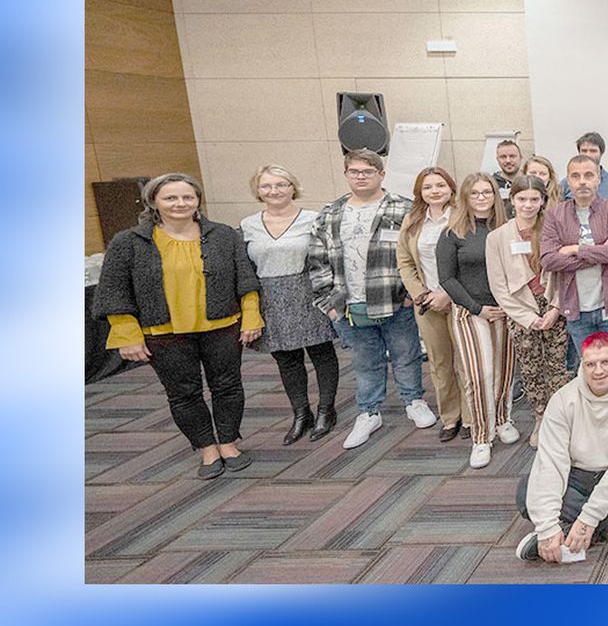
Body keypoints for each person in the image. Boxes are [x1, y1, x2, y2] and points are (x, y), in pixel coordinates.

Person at [94, 174, 263, 478]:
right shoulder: (129, 242)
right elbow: (114, 292)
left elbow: (245, 280)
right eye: (170, 198)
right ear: (153, 202)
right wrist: (128, 335)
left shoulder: (223, 235)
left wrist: (251, 316)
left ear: (198, 199)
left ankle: (227, 442)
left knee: (228, 386)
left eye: (187, 197)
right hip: (164, 333)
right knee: (183, 393)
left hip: (222, 326)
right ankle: (207, 449)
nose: (180, 203)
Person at [309, 149, 437, 449]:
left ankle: (414, 401)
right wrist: (329, 304)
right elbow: (316, 260)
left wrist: (410, 295)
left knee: (406, 355)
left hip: (395, 300)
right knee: (366, 362)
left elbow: (416, 256)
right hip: (348, 302)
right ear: (346, 175)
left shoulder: (403, 209)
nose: (361, 176)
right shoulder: (330, 213)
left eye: (367, 171)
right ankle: (369, 412)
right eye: (354, 171)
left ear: (381, 174)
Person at [514, 332, 608, 562]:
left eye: (605, 362)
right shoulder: (563, 399)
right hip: (576, 474)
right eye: (590, 364)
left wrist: (588, 520)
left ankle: (575, 531)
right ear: (582, 364)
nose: (599, 370)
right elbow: (552, 462)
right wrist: (547, 528)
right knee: (526, 491)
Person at [241, 165, 340, 445]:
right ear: (258, 191)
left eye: (281, 184)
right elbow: (245, 267)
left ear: (292, 187)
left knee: (321, 352)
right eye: (267, 186)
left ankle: (326, 410)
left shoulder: (314, 219)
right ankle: (300, 413)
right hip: (269, 295)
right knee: (286, 358)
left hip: (308, 289)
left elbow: (329, 257)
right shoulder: (248, 225)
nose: (274, 191)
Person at [438, 173, 515, 468]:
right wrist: (477, 308)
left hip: (504, 310)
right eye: (475, 193)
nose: (482, 198)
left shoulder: (506, 229)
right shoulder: (452, 234)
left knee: (504, 371)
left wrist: (509, 306)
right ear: (465, 198)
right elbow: (447, 279)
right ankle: (482, 436)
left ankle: (503, 419)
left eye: (487, 192)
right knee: (480, 374)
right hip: (470, 312)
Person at [487, 175, 570, 438]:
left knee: (557, 367)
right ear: (512, 200)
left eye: (535, 199)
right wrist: (527, 317)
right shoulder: (497, 238)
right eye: (522, 199)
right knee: (531, 368)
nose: (528, 205)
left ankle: (561, 421)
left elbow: (565, 274)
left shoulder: (554, 231)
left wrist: (555, 308)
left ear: (543, 201)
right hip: (521, 310)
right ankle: (540, 417)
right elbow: (498, 285)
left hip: (554, 304)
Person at [542, 154, 608, 368]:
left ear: (598, 178)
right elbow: (548, 259)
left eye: (588, 175)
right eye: (576, 176)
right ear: (568, 180)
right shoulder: (555, 215)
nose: (582, 181)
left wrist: (575, 249)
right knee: (589, 371)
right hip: (576, 308)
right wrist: (600, 252)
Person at [397, 166, 465, 442]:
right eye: (428, 187)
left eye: (440, 185)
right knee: (439, 363)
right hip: (426, 303)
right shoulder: (412, 220)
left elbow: (470, 259)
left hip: (460, 299)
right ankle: (451, 417)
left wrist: (447, 293)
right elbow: (405, 261)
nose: (434, 191)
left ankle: (472, 418)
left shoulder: (462, 217)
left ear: (450, 188)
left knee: (464, 361)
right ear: (420, 192)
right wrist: (421, 293)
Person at [559, 132, 608, 202]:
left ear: (601, 153)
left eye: (593, 151)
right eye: (584, 151)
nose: (588, 155)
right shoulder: (566, 184)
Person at [489, 139, 523, 215]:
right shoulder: (491, 184)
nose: (508, 160)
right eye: (503, 157)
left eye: (512, 156)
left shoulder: (530, 181)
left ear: (521, 158)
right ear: (497, 159)